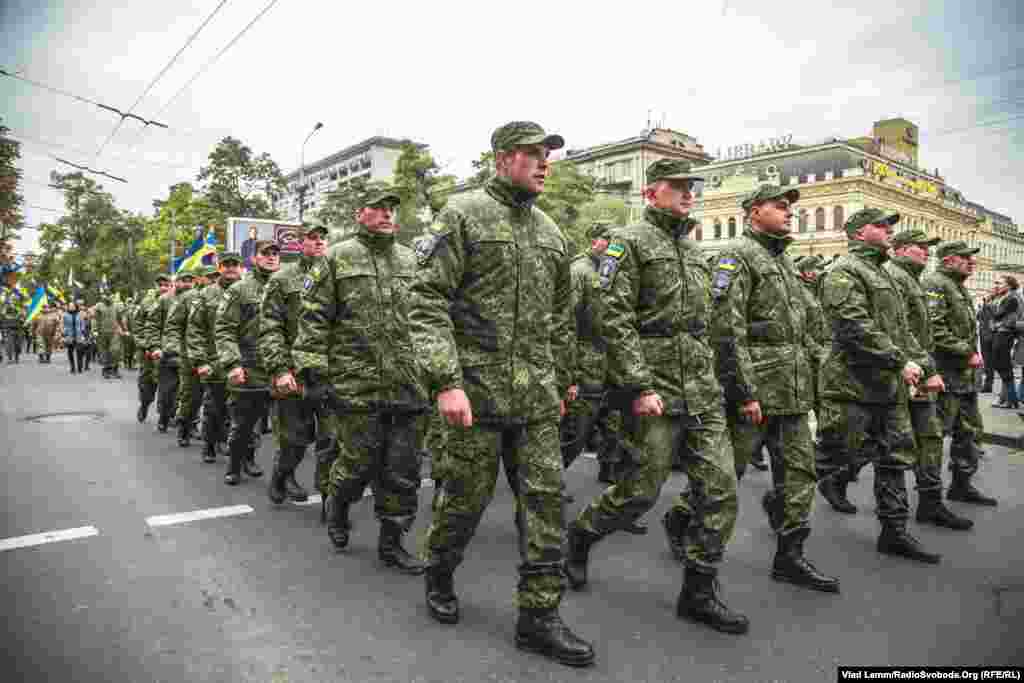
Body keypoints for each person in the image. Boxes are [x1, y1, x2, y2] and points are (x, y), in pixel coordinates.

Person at [408, 121, 594, 667]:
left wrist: (561, 382)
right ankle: (440, 571)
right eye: (533, 154)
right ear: (502, 159)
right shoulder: (461, 214)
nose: (544, 164)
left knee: (544, 506)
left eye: (547, 156)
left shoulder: (552, 231)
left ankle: (539, 617)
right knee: (463, 504)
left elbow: (560, 320)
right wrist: (447, 382)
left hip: (535, 400)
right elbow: (426, 302)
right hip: (475, 396)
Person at [565, 159, 748, 636]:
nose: (689, 194)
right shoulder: (628, 243)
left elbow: (710, 324)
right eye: (678, 187)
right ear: (651, 193)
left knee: (721, 491)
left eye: (693, 187)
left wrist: (729, 384)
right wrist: (639, 385)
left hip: (702, 390)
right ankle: (581, 535)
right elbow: (615, 318)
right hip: (655, 388)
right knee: (640, 492)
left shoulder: (693, 250)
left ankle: (699, 592)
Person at [710, 184, 838, 592]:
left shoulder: (783, 261)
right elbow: (727, 331)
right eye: (779, 206)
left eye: (789, 208)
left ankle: (790, 557)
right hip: (757, 396)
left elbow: (802, 330)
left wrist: (817, 380)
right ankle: (681, 520)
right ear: (753, 212)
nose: (788, 213)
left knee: (799, 477)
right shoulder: (737, 256)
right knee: (724, 476)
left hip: (793, 394)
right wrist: (744, 393)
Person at [296, 193, 428, 573]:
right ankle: (338, 504)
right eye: (378, 207)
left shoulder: (411, 260)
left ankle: (392, 543)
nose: (387, 213)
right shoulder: (335, 258)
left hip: (408, 384)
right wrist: (315, 374)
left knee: (404, 470)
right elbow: (313, 319)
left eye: (391, 208)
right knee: (357, 464)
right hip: (356, 384)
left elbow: (429, 317)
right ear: (360, 214)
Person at [815, 209, 940, 564]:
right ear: (858, 233)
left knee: (894, 457)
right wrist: (900, 360)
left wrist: (925, 366)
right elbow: (853, 326)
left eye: (890, 226)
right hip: (851, 386)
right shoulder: (844, 271)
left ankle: (894, 531)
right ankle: (783, 498)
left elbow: (900, 331)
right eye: (881, 225)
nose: (889, 230)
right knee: (836, 454)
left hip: (886, 387)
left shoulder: (883, 273)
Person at [885, 230, 973, 531]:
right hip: (905, 371)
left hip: (921, 369)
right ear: (900, 249)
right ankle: (834, 476)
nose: (926, 251)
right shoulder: (896, 277)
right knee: (879, 443)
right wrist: (921, 366)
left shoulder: (914, 278)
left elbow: (920, 330)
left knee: (930, 436)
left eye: (928, 247)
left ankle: (930, 502)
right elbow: (899, 330)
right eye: (920, 246)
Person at [924, 241, 998, 506]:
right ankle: (930, 498)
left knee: (969, 433)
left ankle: (961, 485)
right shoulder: (936, 284)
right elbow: (934, 328)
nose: (972, 262)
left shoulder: (957, 286)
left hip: (964, 377)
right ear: (948, 260)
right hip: (945, 375)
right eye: (965, 257)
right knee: (935, 436)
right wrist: (966, 352)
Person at [260, 224, 329, 504]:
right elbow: (270, 326)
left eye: (323, 237)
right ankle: (282, 475)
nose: (319, 242)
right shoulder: (283, 279)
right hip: (295, 372)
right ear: (300, 244)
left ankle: (331, 499)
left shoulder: (339, 274)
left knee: (332, 439)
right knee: (295, 439)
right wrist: (279, 369)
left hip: (332, 372)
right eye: (313, 238)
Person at [216, 240, 279, 485]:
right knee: (244, 423)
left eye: (275, 253)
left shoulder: (287, 284)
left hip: (280, 366)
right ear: (254, 258)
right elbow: (224, 329)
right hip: (249, 366)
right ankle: (234, 464)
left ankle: (272, 471)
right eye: (266, 253)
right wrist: (232, 364)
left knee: (285, 429)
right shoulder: (240, 289)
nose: (271, 257)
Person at [188, 254, 243, 463]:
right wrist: (200, 361)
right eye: (226, 265)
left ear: (240, 267)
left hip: (242, 360)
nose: (231, 268)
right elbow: (195, 329)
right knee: (215, 407)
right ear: (220, 268)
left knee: (241, 408)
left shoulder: (249, 290)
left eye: (234, 265)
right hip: (215, 360)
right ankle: (209, 443)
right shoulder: (205, 294)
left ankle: (230, 443)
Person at [164, 269, 204, 447]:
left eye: (190, 280)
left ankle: (216, 438)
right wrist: (173, 348)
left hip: (216, 354)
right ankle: (185, 426)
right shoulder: (185, 299)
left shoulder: (216, 295)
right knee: (191, 396)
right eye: (184, 280)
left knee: (218, 398)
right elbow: (172, 326)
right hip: (189, 353)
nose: (188, 283)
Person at [136, 276, 172, 423]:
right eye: (160, 285)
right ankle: (144, 404)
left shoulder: (175, 301)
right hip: (149, 351)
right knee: (147, 383)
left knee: (168, 384)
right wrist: (146, 345)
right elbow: (138, 325)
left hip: (169, 349)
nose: (163, 288)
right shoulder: (147, 302)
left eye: (166, 285)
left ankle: (165, 415)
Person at [989, 275, 1020, 409]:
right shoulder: (1005, 297)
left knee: (1003, 365)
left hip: (1005, 334)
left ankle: (1011, 399)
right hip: (1001, 333)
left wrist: (996, 322)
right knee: (1001, 365)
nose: (997, 286)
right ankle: (1008, 398)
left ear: (1008, 285)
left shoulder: (1012, 298)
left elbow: (998, 314)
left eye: (1000, 283)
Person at [976, 288, 997, 393]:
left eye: (989, 292)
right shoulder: (985, 305)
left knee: (989, 361)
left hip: (989, 335)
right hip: (984, 334)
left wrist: (985, 304)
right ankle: (987, 384)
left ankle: (988, 384)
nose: (986, 294)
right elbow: (978, 316)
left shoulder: (992, 305)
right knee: (987, 360)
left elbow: (993, 317)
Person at [62, 302, 86, 373]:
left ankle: (80, 367)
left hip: (78, 335)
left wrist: (83, 333)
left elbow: (82, 324)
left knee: (79, 352)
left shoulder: (80, 314)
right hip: (69, 336)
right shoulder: (65, 315)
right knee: (70, 352)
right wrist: (64, 334)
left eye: (72, 306)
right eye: (70, 306)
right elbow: (64, 325)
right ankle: (72, 367)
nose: (71, 307)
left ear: (75, 307)